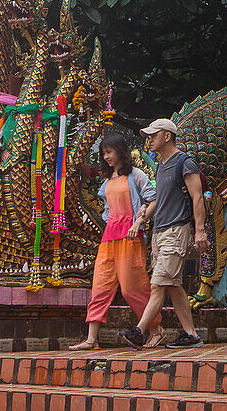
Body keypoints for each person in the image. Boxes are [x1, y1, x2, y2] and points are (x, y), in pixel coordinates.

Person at [121, 118, 209, 350]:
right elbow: (158, 199)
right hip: (160, 232)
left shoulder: (185, 162)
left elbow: (197, 197)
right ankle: (191, 335)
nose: (150, 139)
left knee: (158, 283)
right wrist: (143, 217)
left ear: (167, 136)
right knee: (172, 285)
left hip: (177, 230)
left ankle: (139, 331)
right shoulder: (161, 166)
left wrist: (199, 231)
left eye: (153, 135)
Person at [68, 132, 160, 350]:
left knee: (132, 288)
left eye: (109, 152)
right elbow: (108, 212)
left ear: (120, 151)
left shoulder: (136, 175)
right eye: (104, 153)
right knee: (100, 286)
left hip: (131, 236)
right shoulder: (107, 180)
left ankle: (156, 329)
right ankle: (92, 339)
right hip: (109, 238)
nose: (107, 157)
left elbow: (153, 199)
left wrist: (140, 221)